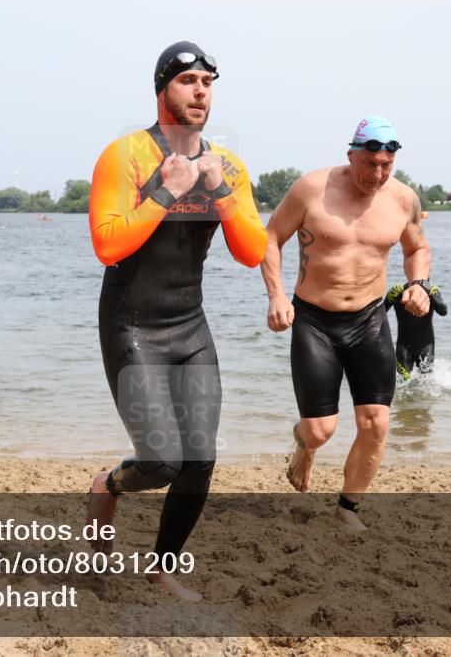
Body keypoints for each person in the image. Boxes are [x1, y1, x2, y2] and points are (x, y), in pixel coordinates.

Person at [85, 41, 267, 601]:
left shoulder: (227, 166)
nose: (201, 92)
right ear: (162, 89)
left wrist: (218, 189)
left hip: (190, 325)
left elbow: (253, 252)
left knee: (201, 458)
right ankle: (108, 484)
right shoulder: (126, 155)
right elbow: (107, 244)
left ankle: (162, 568)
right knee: (163, 460)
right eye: (188, 81)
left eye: (208, 83)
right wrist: (169, 189)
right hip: (132, 324)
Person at [260, 116, 432, 530]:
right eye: (369, 163)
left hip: (369, 320)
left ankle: (347, 509)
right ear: (351, 155)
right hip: (315, 321)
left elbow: (417, 249)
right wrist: (277, 296)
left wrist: (419, 285)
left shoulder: (403, 199)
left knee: (376, 423)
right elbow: (271, 237)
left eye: (386, 165)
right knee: (320, 431)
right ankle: (305, 445)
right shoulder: (311, 189)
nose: (377, 174)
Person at [385, 281, 448, 379]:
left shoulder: (432, 290)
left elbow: (443, 311)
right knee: (403, 382)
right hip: (404, 349)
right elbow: (380, 314)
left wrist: (429, 292)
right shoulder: (396, 292)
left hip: (426, 348)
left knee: (427, 383)